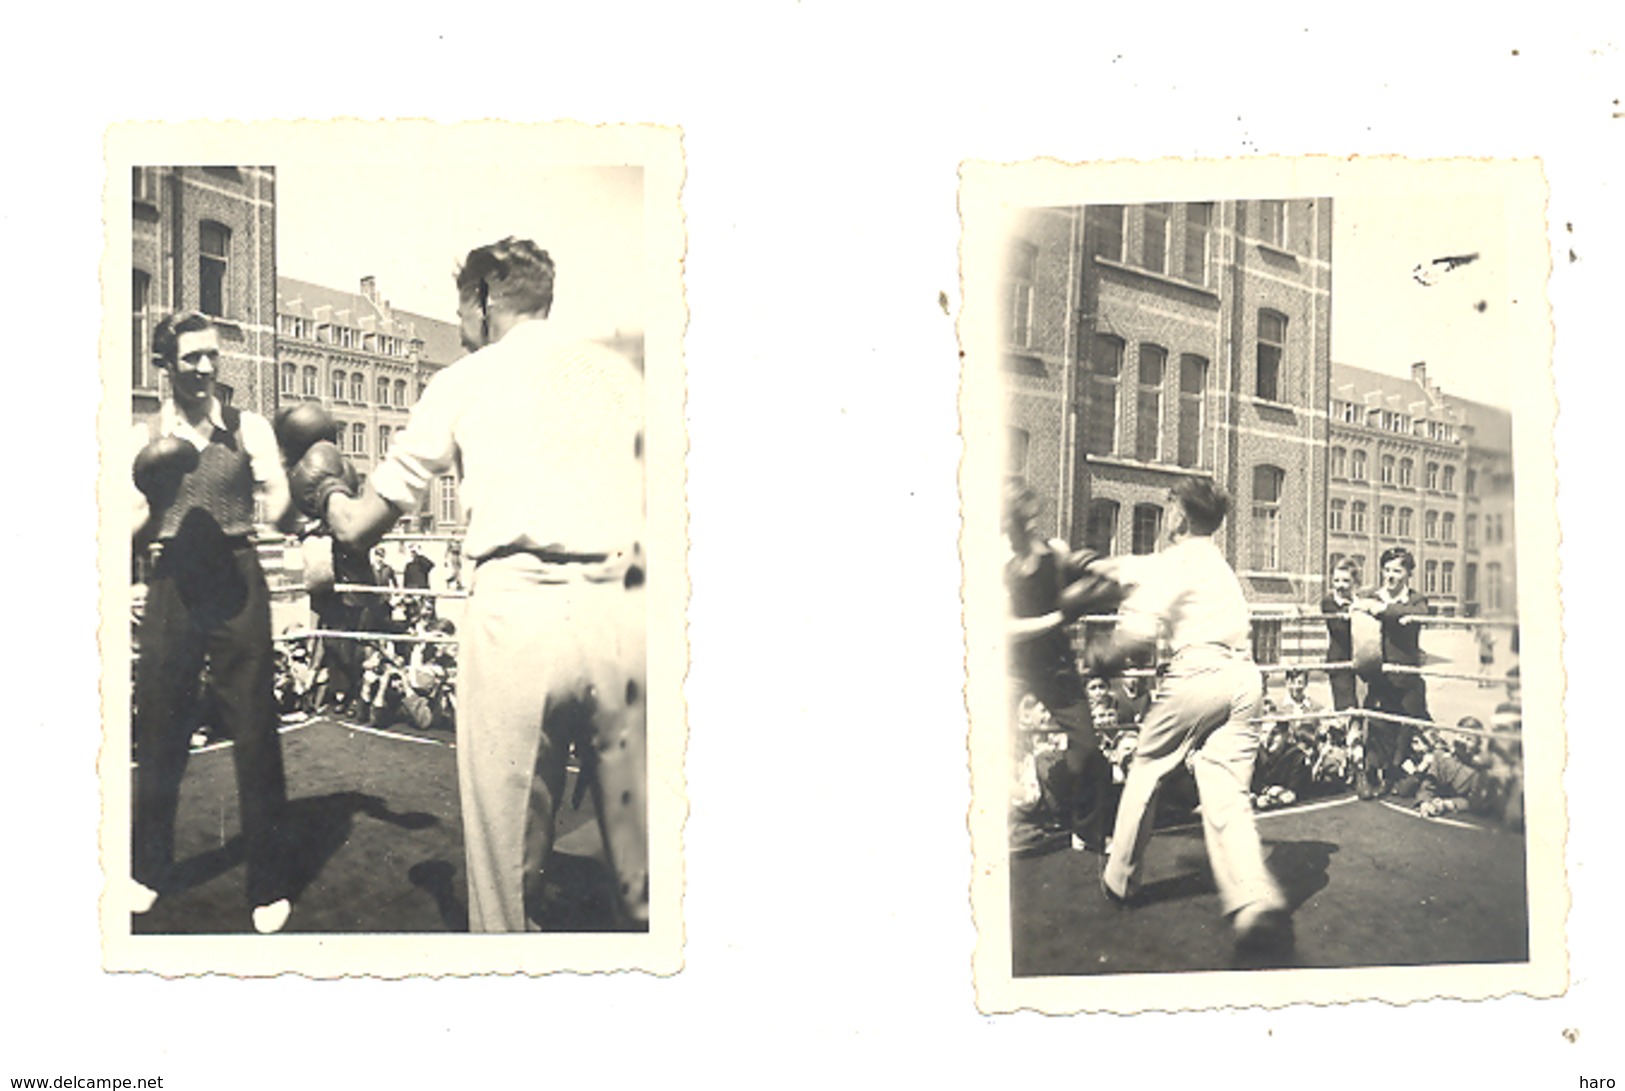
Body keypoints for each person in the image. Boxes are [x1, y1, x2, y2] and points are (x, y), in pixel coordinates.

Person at [283, 237, 648, 932]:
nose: (457, 323)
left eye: (461, 305)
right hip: (620, 611)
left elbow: (359, 526)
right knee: (639, 862)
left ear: (484, 298)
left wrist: (324, 490)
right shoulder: (610, 372)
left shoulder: (463, 379)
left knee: (502, 857)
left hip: (518, 613)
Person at [126, 311, 295, 933]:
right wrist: (154, 493)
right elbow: (127, 525)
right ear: (164, 362)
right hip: (173, 577)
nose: (204, 368)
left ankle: (270, 882)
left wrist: (278, 500)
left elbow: (276, 499)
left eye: (211, 356)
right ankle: (147, 868)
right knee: (161, 726)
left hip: (237, 571)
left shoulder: (247, 426)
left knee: (254, 727)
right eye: (191, 356)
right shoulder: (141, 433)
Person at [1092, 479, 1292, 957]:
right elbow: (1135, 568)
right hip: (1246, 678)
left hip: (1197, 671)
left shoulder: (1175, 562)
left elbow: (1134, 637)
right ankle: (1252, 901)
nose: (1164, 515)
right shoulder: (1216, 563)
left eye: (1168, 507)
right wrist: (1100, 566)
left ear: (1179, 515)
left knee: (1145, 770)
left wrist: (1100, 655)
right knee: (1226, 794)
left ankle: (1119, 881)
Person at [1003, 485, 1119, 856]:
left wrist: (1104, 574)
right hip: (1013, 665)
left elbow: (1083, 567)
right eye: (1021, 516)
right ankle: (1005, 826)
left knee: (1085, 745)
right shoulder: (998, 562)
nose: (1029, 523)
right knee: (992, 744)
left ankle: (1084, 830)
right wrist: (1057, 617)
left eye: (1030, 514)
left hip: (1055, 665)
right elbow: (1005, 627)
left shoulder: (1054, 552)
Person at [1353, 547, 1431, 798]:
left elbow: (1422, 614)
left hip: (1407, 676)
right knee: (1377, 726)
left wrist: (1386, 611)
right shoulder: (1375, 595)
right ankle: (1371, 775)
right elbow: (1356, 604)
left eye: (1397, 570)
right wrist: (1371, 606)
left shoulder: (1416, 599)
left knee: (1404, 729)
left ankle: (1394, 774)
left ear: (1408, 573)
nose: (1390, 575)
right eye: (1386, 570)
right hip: (1381, 676)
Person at [1320, 560, 1359, 713]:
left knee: (1364, 707)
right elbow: (1339, 629)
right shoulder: (1329, 602)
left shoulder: (1359, 601)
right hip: (1340, 662)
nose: (1340, 585)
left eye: (1345, 581)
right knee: (1347, 709)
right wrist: (1355, 610)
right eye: (1336, 580)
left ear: (1354, 582)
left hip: (1361, 661)